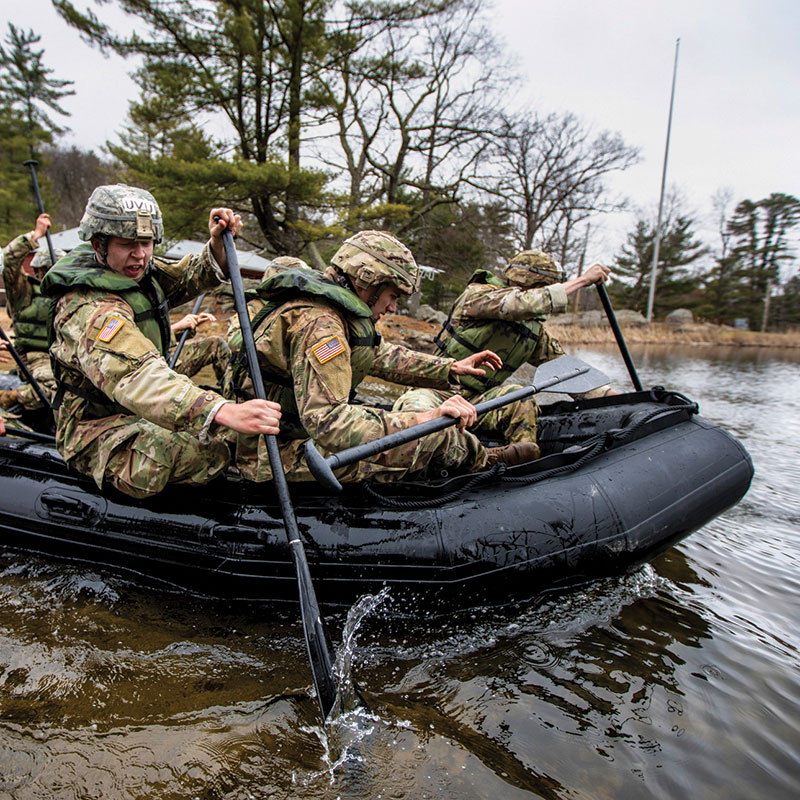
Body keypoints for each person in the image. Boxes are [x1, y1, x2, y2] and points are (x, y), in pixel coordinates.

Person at [229, 230, 539, 484]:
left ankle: (476, 454)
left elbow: (379, 356)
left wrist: (451, 367)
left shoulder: (330, 314)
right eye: (392, 296)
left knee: (421, 424)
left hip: (290, 437)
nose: (392, 308)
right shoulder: (321, 325)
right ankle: (485, 462)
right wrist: (423, 419)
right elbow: (330, 423)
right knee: (433, 434)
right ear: (368, 281)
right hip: (275, 455)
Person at [41, 184, 281, 499]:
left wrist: (218, 246)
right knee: (212, 452)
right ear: (99, 244)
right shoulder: (89, 307)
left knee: (234, 437)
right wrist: (219, 410)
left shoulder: (135, 273)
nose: (140, 255)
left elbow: (186, 276)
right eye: (128, 244)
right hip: (98, 429)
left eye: (147, 243)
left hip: (140, 411)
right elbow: (137, 375)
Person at [395, 250, 615, 448]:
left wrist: (613, 398)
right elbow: (520, 303)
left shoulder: (533, 332)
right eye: (541, 289)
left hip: (477, 403)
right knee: (416, 413)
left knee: (522, 396)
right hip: (435, 393)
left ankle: (518, 462)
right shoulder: (478, 296)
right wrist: (583, 280)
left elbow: (568, 372)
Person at [0, 214, 63, 411]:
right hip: (36, 357)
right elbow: (10, 260)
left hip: (64, 356)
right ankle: (11, 397)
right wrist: (35, 235)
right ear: (39, 271)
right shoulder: (23, 291)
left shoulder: (68, 293)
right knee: (56, 390)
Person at [169, 310, 231, 385]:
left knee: (215, 343)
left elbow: (165, 338)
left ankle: (230, 389)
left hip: (167, 357)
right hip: (156, 370)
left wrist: (189, 325)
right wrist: (176, 327)